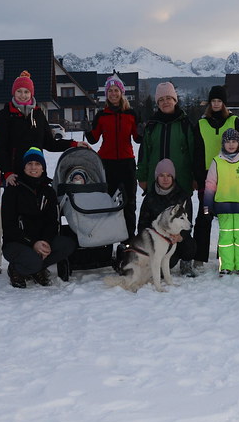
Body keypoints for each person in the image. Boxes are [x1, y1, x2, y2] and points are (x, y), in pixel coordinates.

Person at [136, 82, 203, 275]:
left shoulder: (184, 124)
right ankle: (151, 255)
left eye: (169, 98)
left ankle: (186, 258)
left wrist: (194, 177)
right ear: (158, 102)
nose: (165, 102)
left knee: (183, 221)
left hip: (180, 180)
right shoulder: (152, 125)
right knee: (154, 221)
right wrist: (142, 176)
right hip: (156, 182)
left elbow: (193, 152)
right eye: (161, 99)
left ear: (175, 100)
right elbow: (144, 154)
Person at [1, 147, 76, 288]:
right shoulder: (13, 190)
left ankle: (37, 268)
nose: (33, 167)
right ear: (23, 167)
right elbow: (9, 226)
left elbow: (52, 222)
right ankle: (17, 269)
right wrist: (33, 243)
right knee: (33, 260)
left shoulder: (48, 191)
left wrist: (46, 242)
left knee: (67, 244)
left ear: (43, 168)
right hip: (17, 242)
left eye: (37, 164)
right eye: (29, 164)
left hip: (41, 240)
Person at [0, 71, 83, 188]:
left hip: (37, 172)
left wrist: (74, 144)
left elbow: (50, 143)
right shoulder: (5, 115)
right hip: (14, 176)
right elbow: (0, 147)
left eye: (26, 92)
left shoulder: (38, 114)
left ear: (31, 94)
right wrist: (7, 172)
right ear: (13, 93)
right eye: (19, 91)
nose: (23, 95)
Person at [194, 85, 239, 271]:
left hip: (230, 176)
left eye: (219, 101)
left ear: (224, 103)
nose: (216, 104)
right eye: (213, 101)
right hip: (207, 175)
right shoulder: (201, 124)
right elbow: (197, 152)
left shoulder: (234, 121)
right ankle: (199, 256)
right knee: (204, 217)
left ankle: (224, 255)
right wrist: (197, 177)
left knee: (228, 217)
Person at [84, 74, 141, 239]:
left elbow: (138, 138)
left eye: (116, 90)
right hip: (106, 163)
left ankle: (129, 238)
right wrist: (87, 128)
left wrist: (143, 129)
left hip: (127, 163)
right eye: (110, 90)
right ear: (106, 94)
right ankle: (107, 238)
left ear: (121, 93)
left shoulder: (131, 114)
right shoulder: (101, 115)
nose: (113, 93)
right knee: (106, 203)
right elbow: (93, 138)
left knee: (129, 203)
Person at [202, 128, 239, 276]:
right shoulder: (217, 161)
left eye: (234, 141)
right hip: (224, 206)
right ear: (223, 143)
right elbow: (210, 185)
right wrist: (207, 206)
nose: (231, 144)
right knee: (225, 238)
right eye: (227, 141)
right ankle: (226, 265)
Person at [137, 158, 195, 270]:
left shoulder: (182, 196)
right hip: (157, 240)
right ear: (156, 177)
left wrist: (180, 237)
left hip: (176, 238)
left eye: (168, 175)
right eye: (161, 175)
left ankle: (186, 263)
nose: (165, 179)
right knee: (162, 271)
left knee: (190, 245)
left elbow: (188, 223)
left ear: (173, 177)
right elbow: (142, 224)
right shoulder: (150, 197)